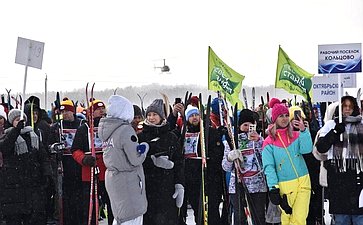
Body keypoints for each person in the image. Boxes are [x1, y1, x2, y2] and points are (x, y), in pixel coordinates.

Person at [99, 95, 149, 225]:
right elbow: (135, 159)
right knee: (132, 217)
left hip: (114, 178)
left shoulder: (109, 130)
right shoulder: (125, 130)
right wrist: (144, 149)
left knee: (121, 217)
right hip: (128, 181)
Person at [262, 98, 313, 225]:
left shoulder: (296, 135)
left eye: (286, 115)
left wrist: (303, 131)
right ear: (274, 119)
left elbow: (307, 150)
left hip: (303, 181)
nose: (284, 119)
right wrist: (273, 188)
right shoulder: (268, 142)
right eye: (280, 116)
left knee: (300, 219)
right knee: (287, 220)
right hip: (285, 185)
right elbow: (269, 167)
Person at [315, 95, 363, 225]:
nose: (347, 109)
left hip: (357, 177)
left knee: (359, 218)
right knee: (341, 219)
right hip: (338, 178)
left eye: (350, 106)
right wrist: (335, 132)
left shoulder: (361, 124)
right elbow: (320, 148)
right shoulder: (331, 125)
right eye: (344, 106)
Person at [0, 109, 52, 225]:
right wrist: (16, 130)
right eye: (17, 120)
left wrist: (46, 173)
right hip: (14, 186)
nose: (20, 122)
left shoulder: (33, 135)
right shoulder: (7, 135)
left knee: (34, 217)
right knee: (15, 218)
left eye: (21, 119)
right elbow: (5, 148)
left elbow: (42, 157)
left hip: (32, 184)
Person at [138, 99, 185, 225]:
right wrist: (153, 161)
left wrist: (179, 184)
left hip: (167, 187)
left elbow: (179, 163)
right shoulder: (141, 137)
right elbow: (136, 161)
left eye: (154, 115)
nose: (151, 118)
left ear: (161, 116)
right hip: (148, 187)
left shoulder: (171, 137)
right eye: (149, 115)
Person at [71, 98, 114, 225]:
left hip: (108, 172)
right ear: (91, 112)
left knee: (112, 204)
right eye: (97, 109)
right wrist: (84, 159)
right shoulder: (83, 129)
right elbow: (75, 150)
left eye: (102, 109)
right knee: (90, 207)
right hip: (89, 173)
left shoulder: (110, 127)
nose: (101, 111)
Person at [181, 104, 225, 225]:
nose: (194, 117)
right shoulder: (183, 133)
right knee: (198, 211)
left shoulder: (209, 131)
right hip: (192, 179)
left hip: (209, 178)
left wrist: (210, 163)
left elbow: (218, 153)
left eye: (196, 115)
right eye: (191, 116)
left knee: (212, 211)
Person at [222, 109, 268, 225]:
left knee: (258, 218)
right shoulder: (231, 140)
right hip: (238, 186)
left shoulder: (260, 139)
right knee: (240, 219)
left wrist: (259, 141)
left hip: (257, 186)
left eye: (251, 125)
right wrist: (229, 158)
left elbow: (266, 160)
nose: (248, 128)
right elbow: (225, 167)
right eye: (245, 125)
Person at [48, 97, 85, 225]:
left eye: (67, 112)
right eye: (62, 112)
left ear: (73, 112)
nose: (64, 114)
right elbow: (50, 145)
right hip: (64, 165)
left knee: (80, 197)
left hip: (79, 165)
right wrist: (54, 148)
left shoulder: (81, 124)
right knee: (67, 197)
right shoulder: (57, 127)